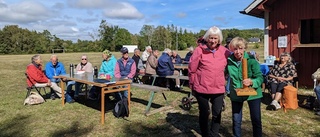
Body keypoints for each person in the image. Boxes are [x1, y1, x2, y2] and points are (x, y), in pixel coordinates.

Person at [188, 26, 230, 137]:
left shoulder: (225, 52)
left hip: (218, 88)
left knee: (217, 113)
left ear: (219, 39)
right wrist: (192, 85)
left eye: (215, 38)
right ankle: (205, 134)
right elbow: (192, 69)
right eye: (211, 38)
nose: (213, 41)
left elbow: (234, 61)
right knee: (204, 113)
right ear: (207, 38)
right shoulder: (199, 50)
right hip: (202, 87)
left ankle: (214, 134)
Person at [226, 37, 263, 137]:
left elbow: (260, 77)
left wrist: (252, 81)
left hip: (253, 94)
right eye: (235, 49)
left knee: (256, 120)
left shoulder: (251, 60)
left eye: (240, 48)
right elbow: (222, 74)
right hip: (236, 93)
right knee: (236, 120)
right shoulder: (229, 61)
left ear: (245, 48)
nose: (238, 52)